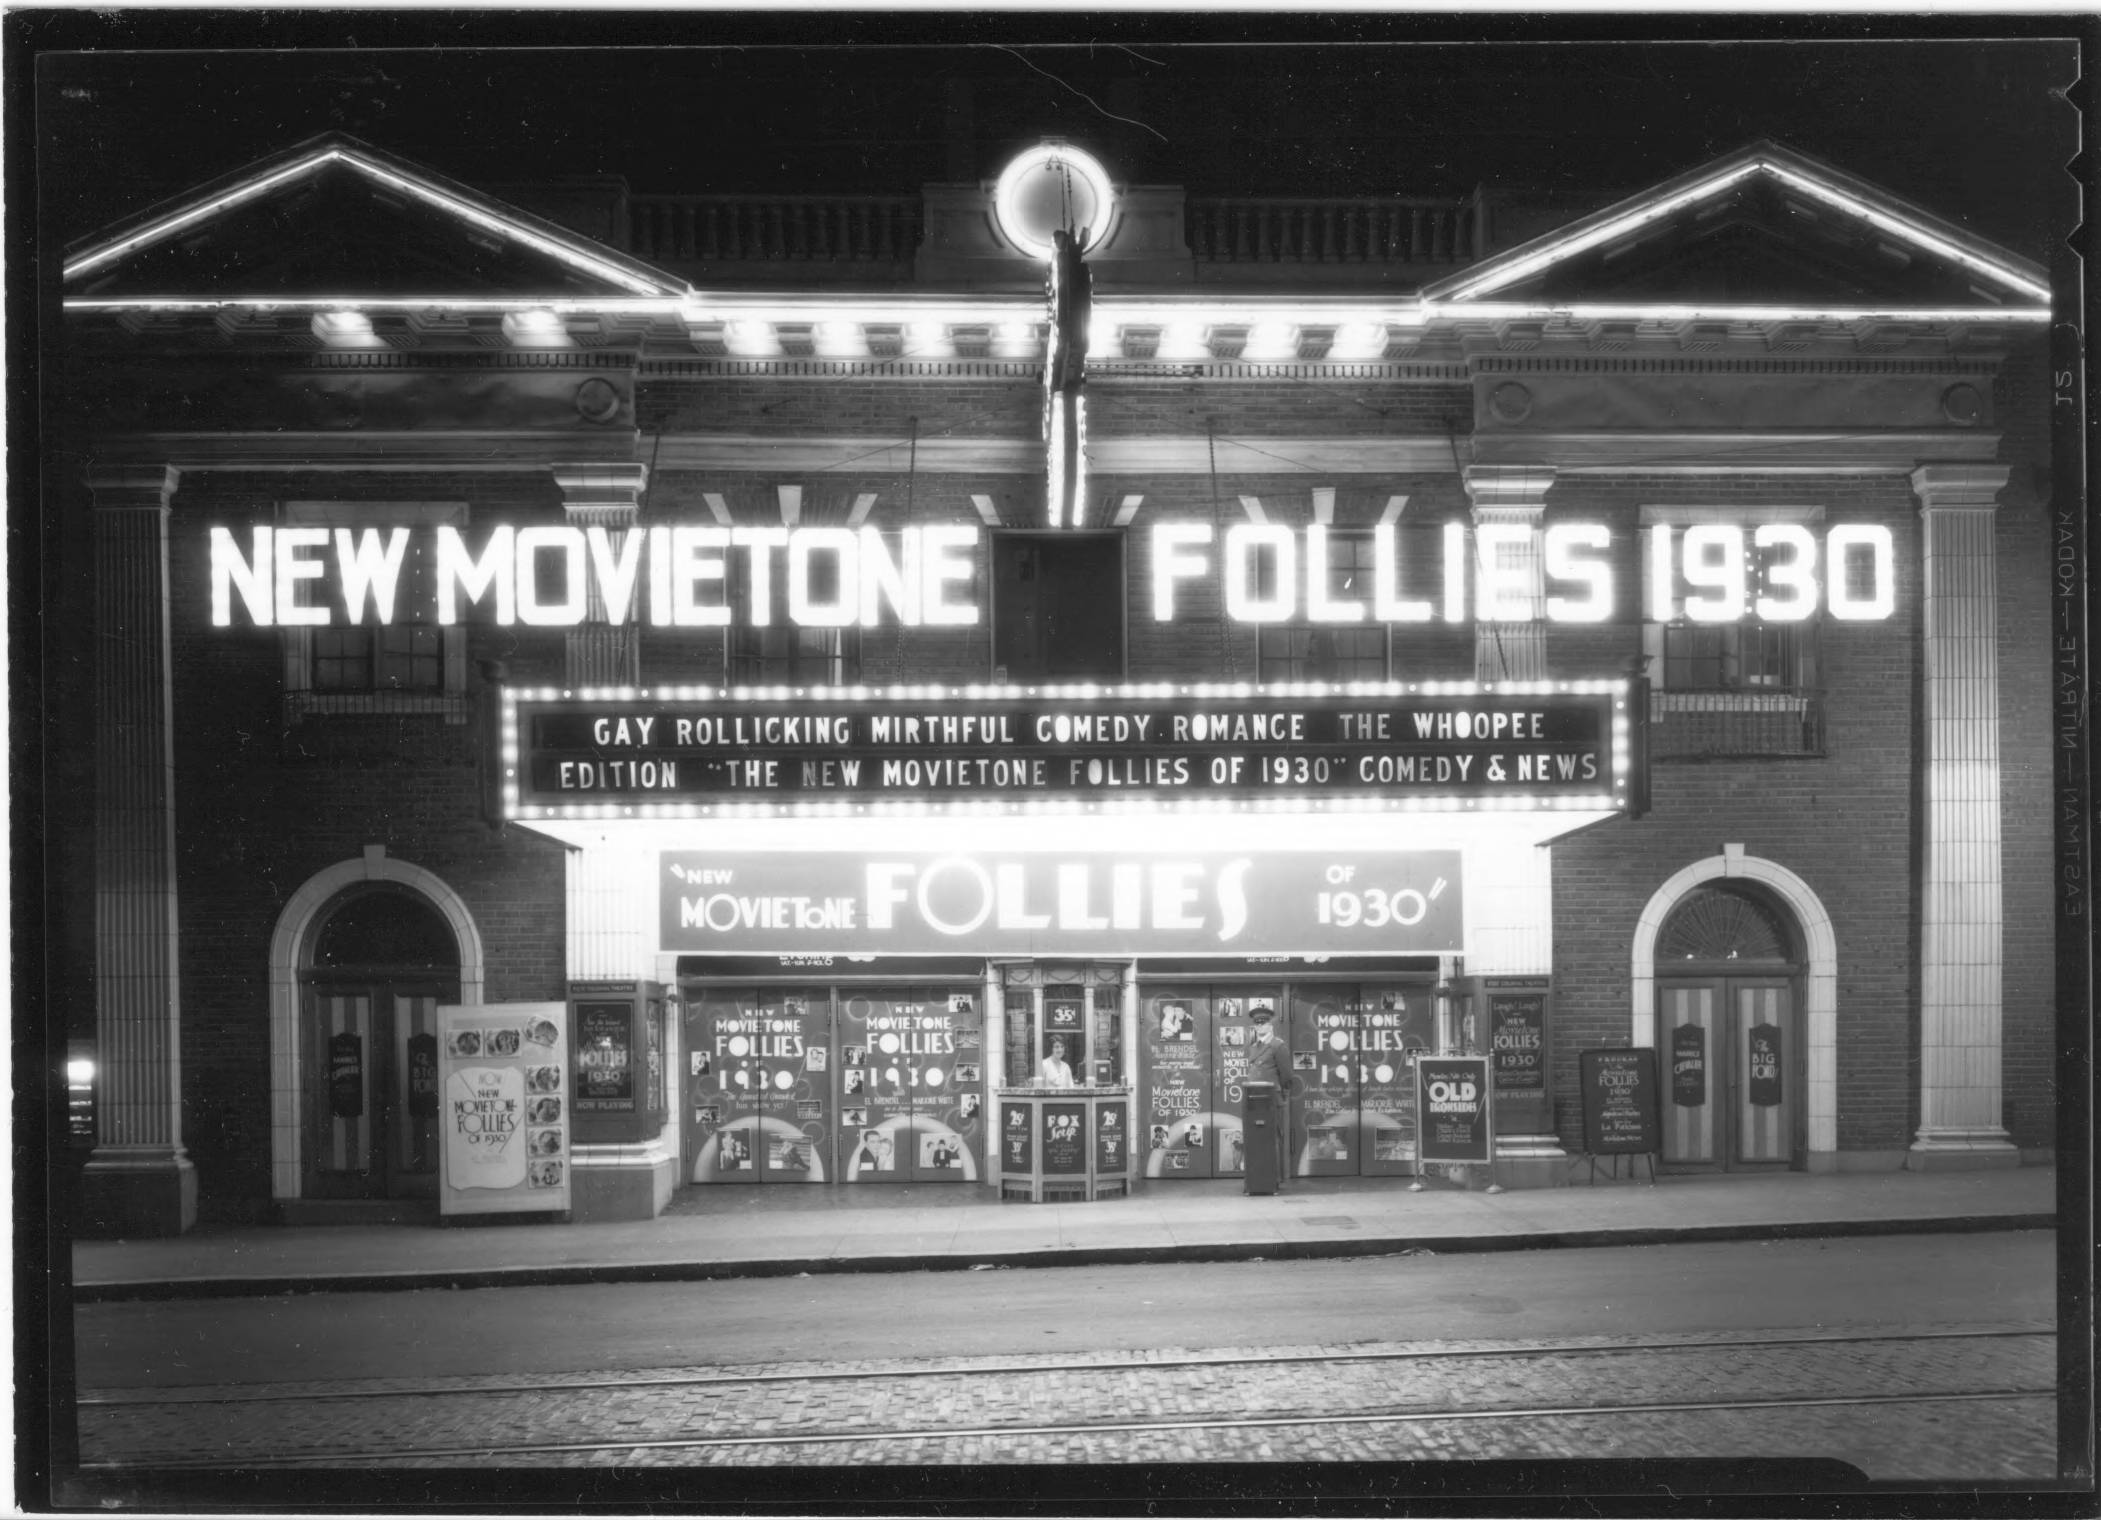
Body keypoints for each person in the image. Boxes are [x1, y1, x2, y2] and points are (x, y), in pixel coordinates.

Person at [1241, 1005, 1292, 1190]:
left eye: (1263, 1023)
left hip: (1271, 1100)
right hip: (1254, 1100)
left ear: (1271, 1025)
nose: (1260, 1026)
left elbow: (1286, 1075)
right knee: (1256, 1139)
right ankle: (1258, 1178)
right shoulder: (1254, 1046)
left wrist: (1282, 1094)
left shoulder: (1278, 1046)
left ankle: (1275, 1179)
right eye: (1257, 1024)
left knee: (1273, 1138)